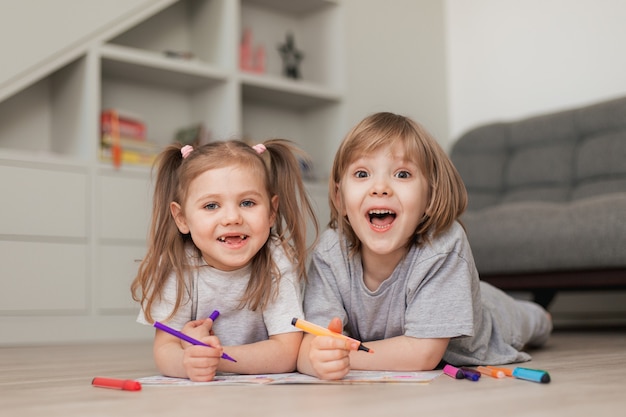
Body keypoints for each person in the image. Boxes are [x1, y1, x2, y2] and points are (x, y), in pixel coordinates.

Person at [297, 112, 552, 380]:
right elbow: (308, 346)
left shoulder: (443, 245)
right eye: (362, 173)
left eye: (402, 174)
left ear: (430, 197)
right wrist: (316, 357)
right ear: (339, 198)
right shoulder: (328, 253)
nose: (380, 187)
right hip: (438, 298)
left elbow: (423, 353)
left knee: (526, 320)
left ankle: (539, 314)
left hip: (489, 320)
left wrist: (344, 357)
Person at [131, 139, 318, 382]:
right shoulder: (177, 264)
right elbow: (165, 349)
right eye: (211, 206)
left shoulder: (276, 258)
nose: (232, 217)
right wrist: (187, 363)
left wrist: (215, 357)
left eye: (247, 202)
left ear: (272, 211)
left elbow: (287, 352)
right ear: (182, 218)